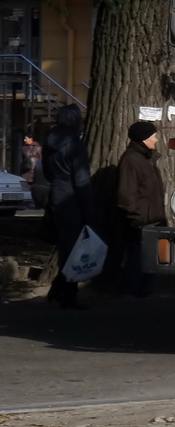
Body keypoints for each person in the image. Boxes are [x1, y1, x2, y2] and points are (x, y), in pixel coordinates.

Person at [42, 104, 94, 309]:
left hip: (57, 194)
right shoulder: (75, 145)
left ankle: (60, 288)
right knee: (74, 250)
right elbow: (81, 180)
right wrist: (89, 210)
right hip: (71, 199)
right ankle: (66, 294)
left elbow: (46, 171)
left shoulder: (49, 142)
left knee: (66, 247)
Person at [115, 121, 164, 297]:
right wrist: (138, 219)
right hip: (141, 222)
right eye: (153, 137)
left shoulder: (145, 159)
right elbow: (126, 195)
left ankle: (144, 292)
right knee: (136, 260)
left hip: (151, 220)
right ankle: (129, 293)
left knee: (149, 259)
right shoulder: (132, 160)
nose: (157, 140)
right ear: (144, 140)